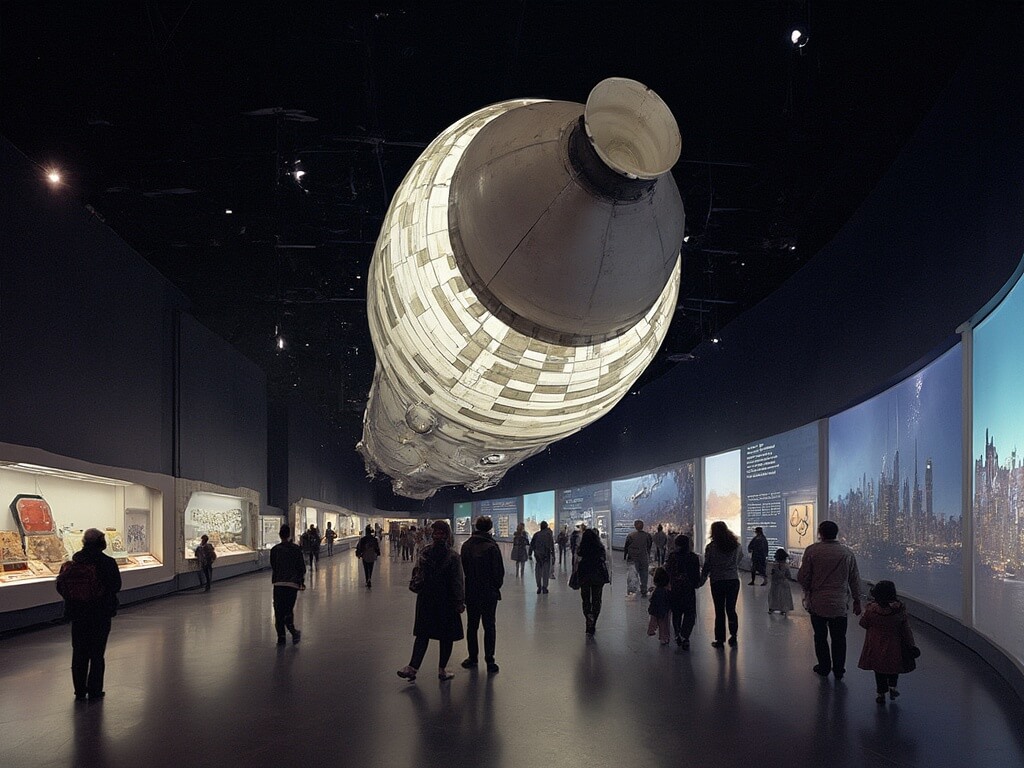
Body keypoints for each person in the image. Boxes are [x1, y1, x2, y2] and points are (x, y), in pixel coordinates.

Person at [55, 528, 122, 700]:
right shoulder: (107, 562)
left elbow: (61, 587)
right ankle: (95, 690)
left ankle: (79, 690)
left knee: (79, 652)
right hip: (100, 614)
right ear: (101, 542)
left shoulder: (74, 561)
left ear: (84, 542)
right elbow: (116, 586)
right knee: (97, 653)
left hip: (77, 614)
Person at [398, 520, 466, 682]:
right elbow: (458, 581)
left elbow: (417, 574)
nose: (438, 536)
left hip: (427, 599)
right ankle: (442, 670)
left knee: (423, 634)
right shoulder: (453, 556)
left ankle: (413, 667)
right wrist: (459, 601)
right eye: (438, 533)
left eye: (439, 533)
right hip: (446, 601)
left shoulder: (425, 552)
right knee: (445, 636)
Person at [797, 520, 863, 680]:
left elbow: (803, 576)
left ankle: (824, 667)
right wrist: (857, 600)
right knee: (839, 639)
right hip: (839, 604)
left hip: (817, 602)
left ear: (820, 533)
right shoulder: (846, 553)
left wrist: (808, 588)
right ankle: (839, 670)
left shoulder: (812, 551)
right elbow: (854, 579)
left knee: (820, 637)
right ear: (836, 533)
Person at [858, 580, 917, 704]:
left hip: (875, 645)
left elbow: (863, 624)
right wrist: (912, 645)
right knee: (893, 668)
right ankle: (893, 687)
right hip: (894, 646)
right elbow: (906, 629)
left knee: (879, 670)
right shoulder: (899, 611)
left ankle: (880, 693)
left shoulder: (871, 610)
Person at [460, 516, 504, 674]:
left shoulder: (466, 546)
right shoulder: (492, 547)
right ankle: (490, 660)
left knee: (472, 626)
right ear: (490, 528)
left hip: (471, 591)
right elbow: (499, 572)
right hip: (488, 593)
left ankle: (472, 657)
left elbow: (462, 570)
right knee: (489, 626)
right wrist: (495, 587)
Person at [701, 520, 742, 648]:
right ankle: (733, 636)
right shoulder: (736, 545)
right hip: (733, 579)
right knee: (731, 609)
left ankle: (720, 639)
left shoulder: (711, 547)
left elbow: (707, 565)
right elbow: (739, 559)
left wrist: (701, 579)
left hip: (717, 580)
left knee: (719, 611)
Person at [271, 524, 306, 645]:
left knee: (278, 610)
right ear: (289, 534)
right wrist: (301, 581)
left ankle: (281, 637)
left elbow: (274, 566)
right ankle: (294, 633)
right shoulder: (296, 549)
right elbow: (301, 567)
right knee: (288, 609)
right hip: (292, 584)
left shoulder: (275, 549)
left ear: (280, 535)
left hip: (279, 583)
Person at [665, 534, 701, 648]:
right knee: (689, 613)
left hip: (675, 589)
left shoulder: (672, 556)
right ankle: (685, 636)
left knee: (676, 613)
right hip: (688, 589)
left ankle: (677, 634)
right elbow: (696, 575)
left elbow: (668, 571)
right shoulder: (693, 557)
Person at [575, 527, 609, 635]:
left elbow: (578, 559)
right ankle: (593, 621)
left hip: (585, 575)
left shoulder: (582, 548)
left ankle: (588, 616)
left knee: (585, 599)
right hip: (598, 575)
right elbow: (604, 559)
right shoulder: (600, 548)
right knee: (597, 599)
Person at [624, 520, 653, 597]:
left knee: (632, 574)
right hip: (643, 557)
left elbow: (626, 547)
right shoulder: (647, 535)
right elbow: (649, 546)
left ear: (635, 526)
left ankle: (632, 590)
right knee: (644, 574)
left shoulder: (630, 535)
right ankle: (644, 589)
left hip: (633, 558)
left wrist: (625, 556)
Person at [529, 520, 555, 594]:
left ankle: (539, 586)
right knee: (546, 572)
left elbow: (532, 545)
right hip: (546, 555)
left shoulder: (536, 534)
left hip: (538, 555)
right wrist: (553, 555)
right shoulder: (548, 535)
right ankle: (545, 587)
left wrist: (530, 554)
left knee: (538, 571)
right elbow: (551, 545)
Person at [647, 567, 672, 645]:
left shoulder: (656, 591)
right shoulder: (667, 591)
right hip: (664, 610)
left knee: (653, 620)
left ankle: (651, 630)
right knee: (664, 624)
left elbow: (652, 599)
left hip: (655, 609)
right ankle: (664, 637)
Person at [768, 548, 794, 615]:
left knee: (774, 595)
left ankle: (772, 608)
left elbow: (771, 574)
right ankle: (784, 609)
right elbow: (788, 575)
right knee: (784, 596)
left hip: (775, 583)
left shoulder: (774, 565)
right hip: (784, 582)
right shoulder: (786, 566)